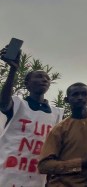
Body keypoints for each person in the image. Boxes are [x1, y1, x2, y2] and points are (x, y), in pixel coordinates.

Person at [0, 47, 64, 187]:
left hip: (37, 178)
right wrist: (12, 70)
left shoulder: (58, 114)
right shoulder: (17, 104)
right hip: (7, 175)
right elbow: (3, 103)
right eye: (39, 76)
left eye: (47, 78)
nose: (44, 80)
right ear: (27, 84)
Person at [39, 83, 87, 187]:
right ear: (66, 100)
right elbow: (44, 165)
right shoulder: (59, 129)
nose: (80, 98)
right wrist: (81, 163)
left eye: (84, 94)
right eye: (75, 94)